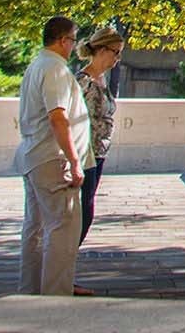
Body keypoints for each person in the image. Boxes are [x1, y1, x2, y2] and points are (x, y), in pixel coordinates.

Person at [15, 15, 93, 297]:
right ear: (63, 40)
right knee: (63, 229)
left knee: (34, 229)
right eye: (72, 40)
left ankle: (31, 291)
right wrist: (74, 161)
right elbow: (58, 117)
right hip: (52, 159)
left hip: (33, 157)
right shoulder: (55, 70)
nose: (73, 46)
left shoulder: (36, 66)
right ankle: (56, 298)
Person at [74, 27, 124, 249]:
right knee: (82, 212)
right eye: (115, 52)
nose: (117, 58)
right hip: (84, 155)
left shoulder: (103, 80)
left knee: (87, 210)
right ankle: (61, 273)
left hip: (99, 153)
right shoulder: (83, 81)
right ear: (102, 50)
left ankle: (66, 271)